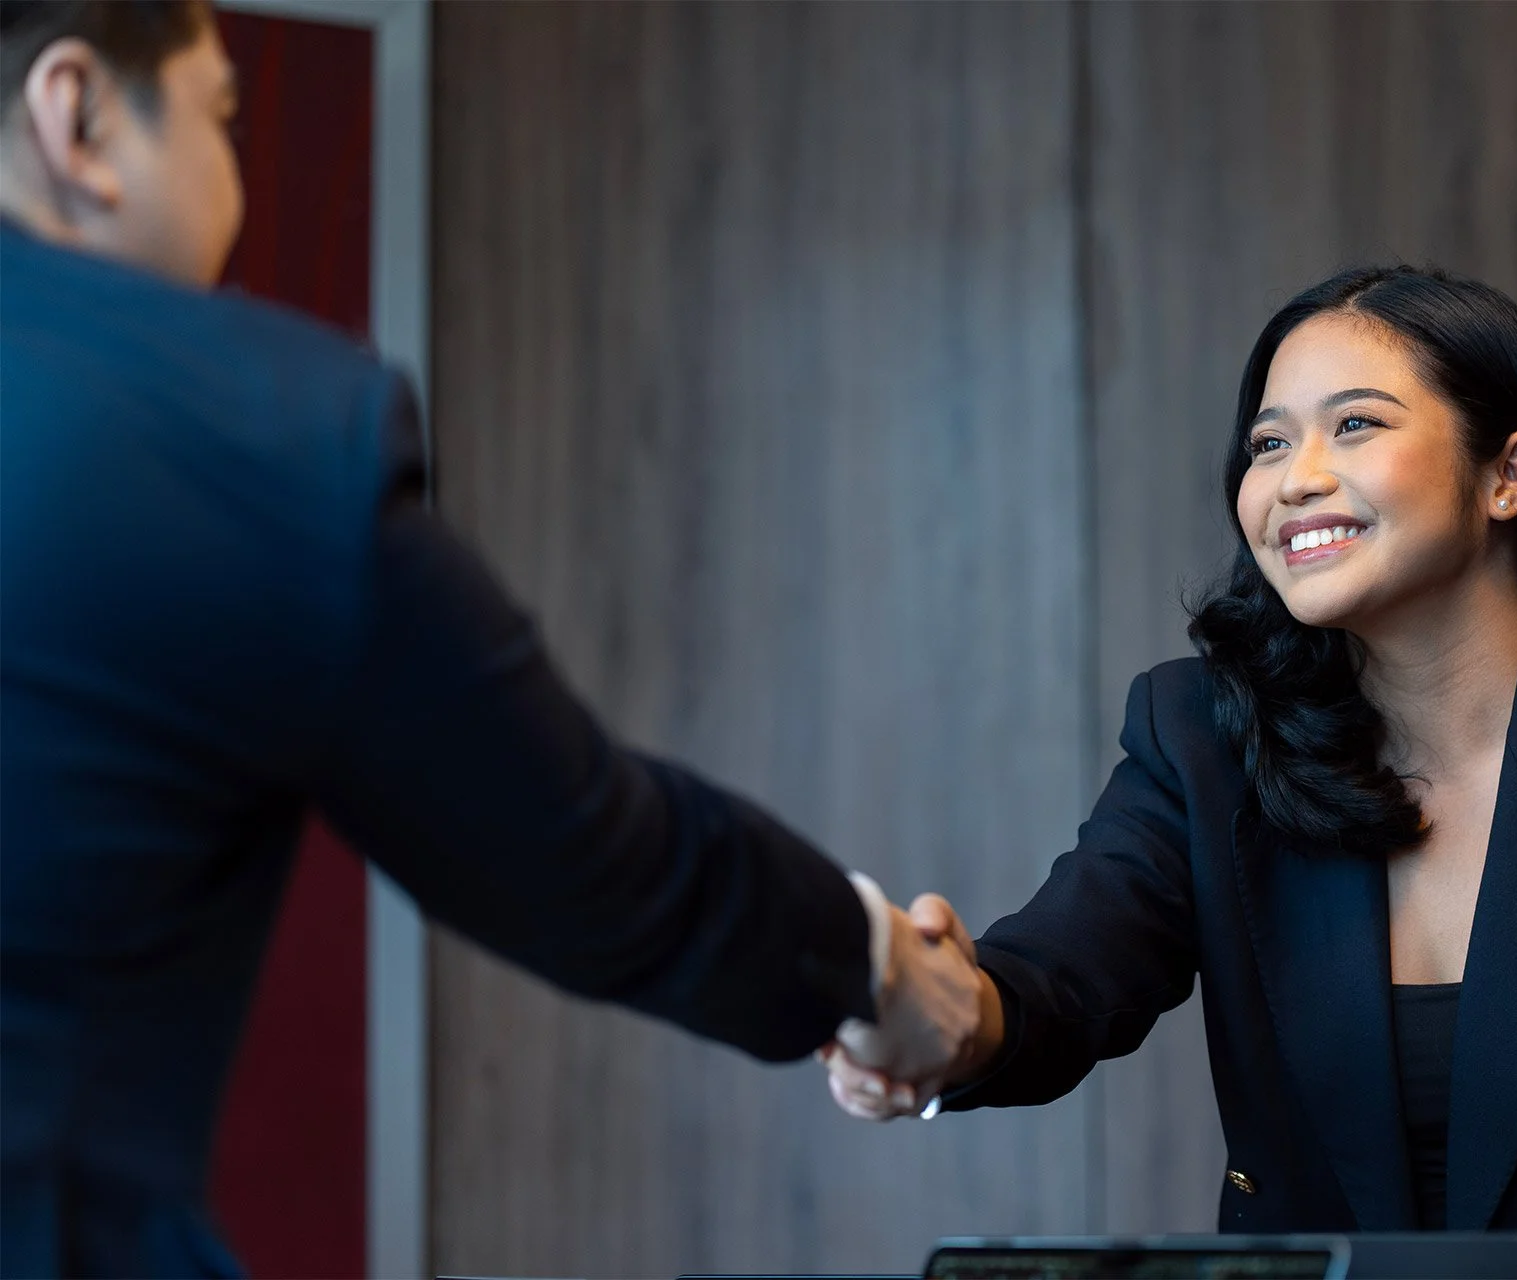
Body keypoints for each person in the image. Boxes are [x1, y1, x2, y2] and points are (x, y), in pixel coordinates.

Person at [0, 3, 980, 1275]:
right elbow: (593, 860)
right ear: (77, 115)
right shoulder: (248, 434)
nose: (230, 179)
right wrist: (883, 968)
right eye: (217, 118)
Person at [824, 266, 1517, 1277]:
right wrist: (944, 1012)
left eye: (1354, 425)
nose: (1293, 481)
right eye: (1265, 444)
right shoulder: (1200, 735)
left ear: (1510, 473)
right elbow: (1060, 979)